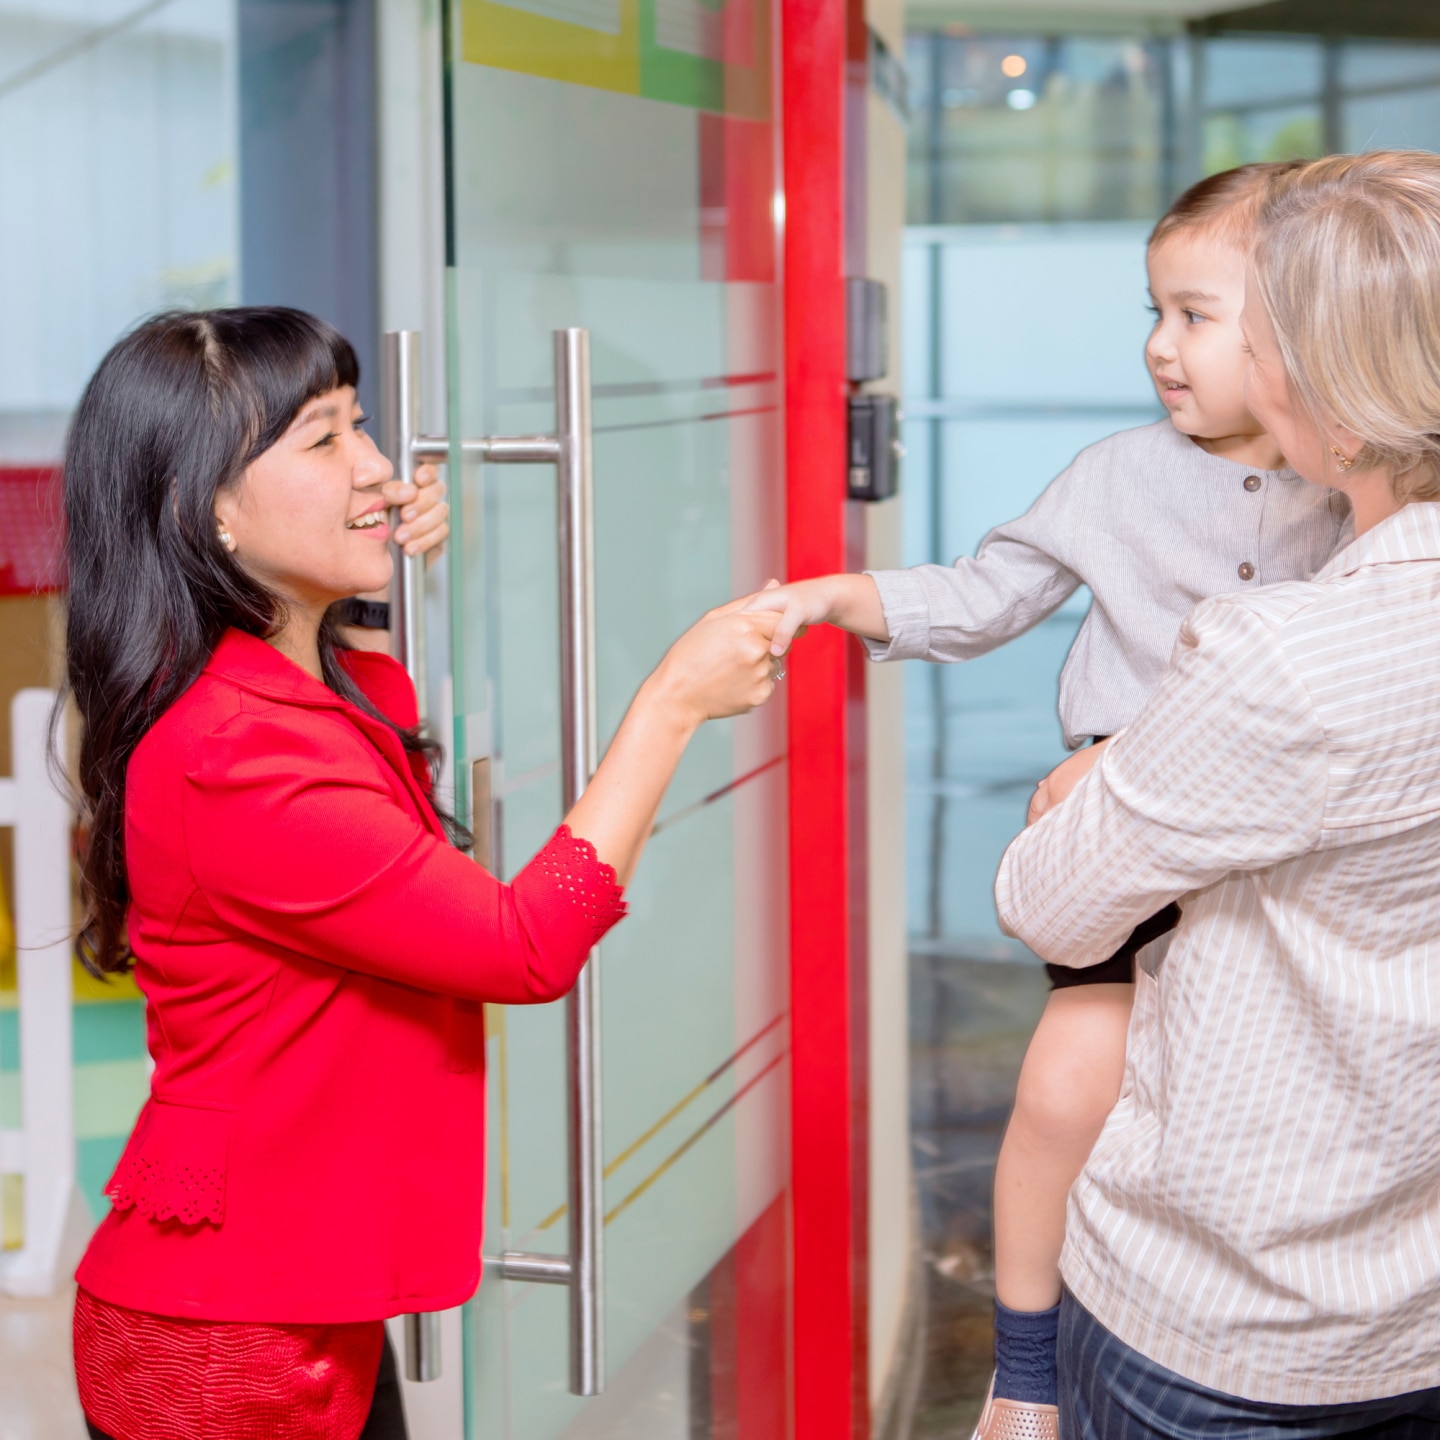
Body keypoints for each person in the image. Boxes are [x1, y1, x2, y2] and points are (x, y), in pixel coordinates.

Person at [62, 307, 783, 1440]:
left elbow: (374, 741)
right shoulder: (232, 754)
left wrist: (375, 574)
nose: (379, 467)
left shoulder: (286, 691)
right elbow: (520, 945)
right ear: (211, 509)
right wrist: (672, 703)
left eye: (362, 427)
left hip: (291, 1293)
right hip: (224, 1343)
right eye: (324, 441)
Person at [742, 163, 1345, 1433]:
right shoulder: (1115, 475)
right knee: (1073, 1075)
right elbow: (981, 595)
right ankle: (1024, 1365)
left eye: (1195, 316)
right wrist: (829, 598)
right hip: (1127, 851)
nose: (1159, 348)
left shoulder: (1363, 497)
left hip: (1284, 861)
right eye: (1153, 312)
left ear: (1306, 329)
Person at [996, 148, 1440, 1435]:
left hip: (1238, 1325)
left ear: (1342, 405)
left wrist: (1113, 768)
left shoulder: (1289, 656)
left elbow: (1051, 904)